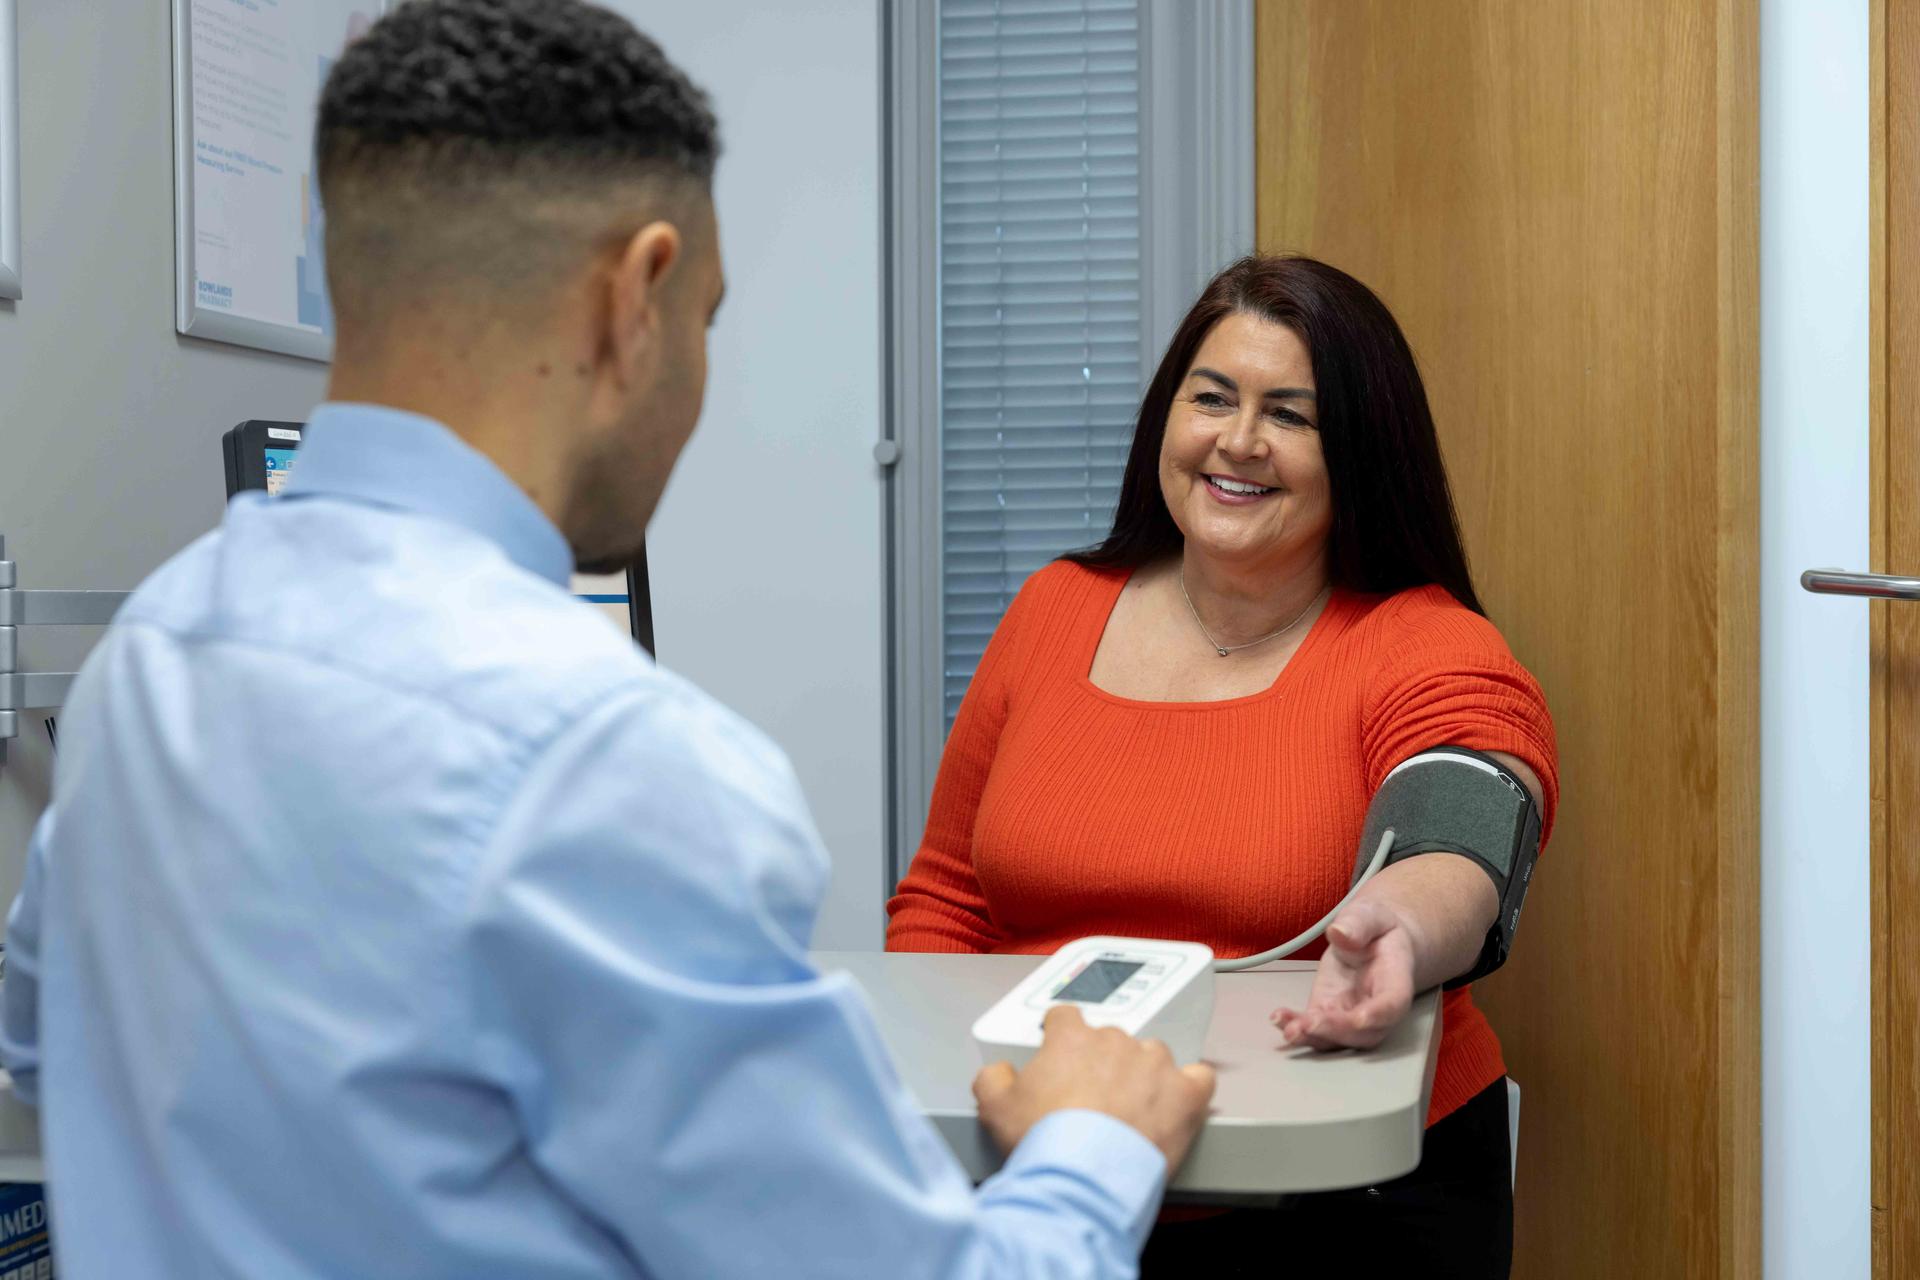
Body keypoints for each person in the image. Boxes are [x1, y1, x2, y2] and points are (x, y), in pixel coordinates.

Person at [0, 3, 1214, 1276]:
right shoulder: (611, 763)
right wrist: (1090, 1143)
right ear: (635, 296)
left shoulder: (151, 656)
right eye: (707, 315)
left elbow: (42, 1041)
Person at [887, 255, 1559, 1276]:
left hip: (1341, 1203)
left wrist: (1405, 926)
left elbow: (1466, 815)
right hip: (1043, 1155)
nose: (1237, 441)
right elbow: (946, 898)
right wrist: (929, 1105)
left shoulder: (1424, 640)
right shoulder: (1054, 608)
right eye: (1212, 398)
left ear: (1361, 454)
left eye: (1291, 414)